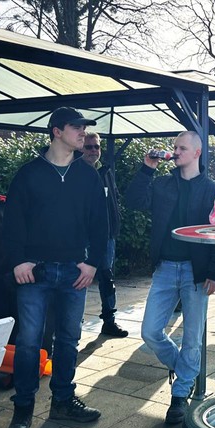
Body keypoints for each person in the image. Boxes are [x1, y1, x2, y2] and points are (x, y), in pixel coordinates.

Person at [2, 107, 108, 428]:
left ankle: (62, 401)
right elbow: (12, 222)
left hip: (75, 271)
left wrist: (93, 263)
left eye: (84, 128)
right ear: (56, 131)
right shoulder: (29, 173)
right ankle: (23, 410)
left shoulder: (88, 175)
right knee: (29, 342)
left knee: (68, 339)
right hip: (35, 271)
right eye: (76, 127)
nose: (83, 133)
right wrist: (18, 261)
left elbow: (100, 223)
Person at [126, 131, 215, 425]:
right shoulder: (162, 184)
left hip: (196, 272)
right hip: (166, 269)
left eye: (182, 148)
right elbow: (133, 201)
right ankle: (185, 371)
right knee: (150, 331)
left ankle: (180, 394)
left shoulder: (212, 191)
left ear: (197, 153)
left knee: (193, 338)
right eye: (174, 147)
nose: (175, 151)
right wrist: (147, 168)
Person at [79, 131, 128, 337]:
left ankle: (109, 321)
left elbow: (114, 199)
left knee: (107, 278)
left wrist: (114, 225)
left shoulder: (106, 171)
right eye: (88, 147)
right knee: (78, 279)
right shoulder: (74, 171)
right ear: (80, 148)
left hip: (106, 235)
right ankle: (74, 325)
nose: (93, 150)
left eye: (96, 146)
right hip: (81, 237)